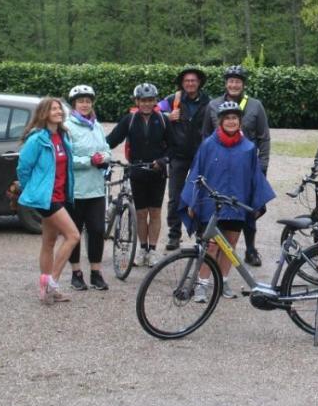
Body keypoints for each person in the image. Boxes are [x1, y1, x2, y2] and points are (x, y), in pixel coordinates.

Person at [182, 100, 276, 300]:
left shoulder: (249, 148)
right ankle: (202, 284)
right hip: (211, 204)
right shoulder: (208, 145)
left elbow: (254, 177)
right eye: (228, 118)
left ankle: (223, 281)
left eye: (235, 118)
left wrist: (258, 202)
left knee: (230, 244)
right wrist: (191, 200)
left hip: (236, 204)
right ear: (220, 121)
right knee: (212, 246)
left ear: (240, 122)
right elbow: (196, 171)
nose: (231, 122)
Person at [200, 65, 271, 266]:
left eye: (238, 81)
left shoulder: (255, 106)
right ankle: (213, 252)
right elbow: (205, 135)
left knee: (249, 208)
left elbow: (264, 138)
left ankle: (250, 248)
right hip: (219, 167)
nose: (234, 84)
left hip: (247, 167)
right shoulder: (213, 105)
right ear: (226, 83)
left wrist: (263, 166)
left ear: (243, 84)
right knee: (218, 206)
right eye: (230, 81)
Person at [17, 97, 79, 304]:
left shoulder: (62, 136)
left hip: (60, 195)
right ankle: (52, 280)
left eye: (59, 109)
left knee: (49, 241)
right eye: (54, 109)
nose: (59, 112)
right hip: (46, 198)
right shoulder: (37, 139)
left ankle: (47, 292)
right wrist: (31, 190)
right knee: (73, 236)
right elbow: (23, 168)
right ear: (44, 113)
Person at [106, 82, 171, 266]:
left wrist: (163, 161)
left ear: (155, 101)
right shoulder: (130, 119)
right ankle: (142, 249)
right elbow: (111, 140)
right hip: (137, 171)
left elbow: (173, 147)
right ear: (137, 101)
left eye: (150, 100)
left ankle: (152, 251)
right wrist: (96, 150)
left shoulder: (163, 120)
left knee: (155, 213)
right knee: (141, 213)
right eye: (143, 100)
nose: (147, 104)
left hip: (157, 172)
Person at [65, 84, 112, 291]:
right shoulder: (67, 127)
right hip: (76, 189)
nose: (85, 104)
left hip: (96, 189)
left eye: (88, 101)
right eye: (80, 101)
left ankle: (96, 272)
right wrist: (88, 161)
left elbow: (107, 150)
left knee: (97, 230)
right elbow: (66, 158)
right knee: (73, 232)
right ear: (74, 104)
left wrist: (104, 158)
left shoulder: (97, 126)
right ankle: (76, 272)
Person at [158, 66, 211, 251]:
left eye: (193, 80)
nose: (190, 83)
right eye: (187, 80)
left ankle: (200, 233)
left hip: (200, 157)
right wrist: (167, 116)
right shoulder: (173, 100)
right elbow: (153, 112)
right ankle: (174, 235)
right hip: (178, 156)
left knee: (201, 195)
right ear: (182, 83)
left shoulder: (208, 102)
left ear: (199, 83)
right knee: (175, 197)